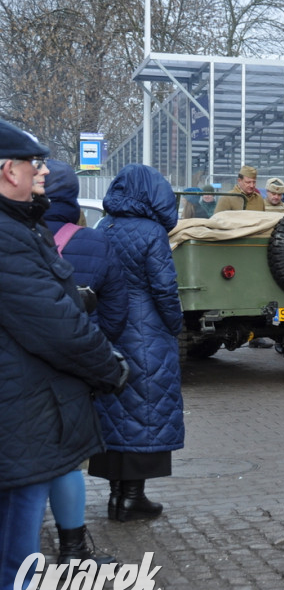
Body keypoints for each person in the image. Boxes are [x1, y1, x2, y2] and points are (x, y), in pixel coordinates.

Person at [1, 120, 126, 590]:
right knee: (20, 512)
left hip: (24, 400)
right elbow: (54, 324)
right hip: (22, 408)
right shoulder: (7, 235)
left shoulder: (18, 225)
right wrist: (111, 368)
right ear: (7, 170)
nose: (43, 172)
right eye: (34, 164)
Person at [42, 160, 128, 569]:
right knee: (67, 460)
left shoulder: (18, 237)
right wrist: (98, 349)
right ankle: (73, 549)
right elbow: (115, 310)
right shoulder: (94, 242)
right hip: (74, 366)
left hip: (20, 368)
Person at [90, 164, 184, 523]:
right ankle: (133, 497)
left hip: (108, 328)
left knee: (115, 411)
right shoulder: (152, 232)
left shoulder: (104, 226)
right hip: (146, 329)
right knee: (144, 411)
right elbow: (164, 288)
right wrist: (174, 324)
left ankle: (117, 497)